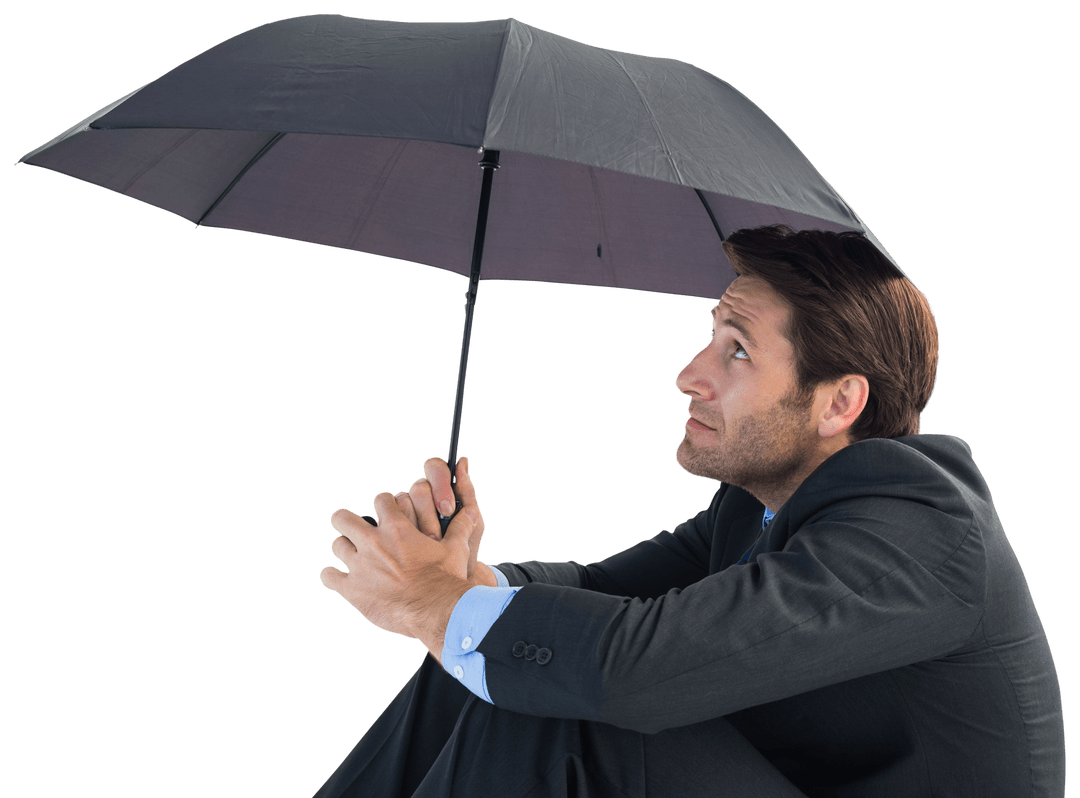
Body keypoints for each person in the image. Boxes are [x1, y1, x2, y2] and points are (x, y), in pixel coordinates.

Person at [313, 225, 1066, 797]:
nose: (688, 374)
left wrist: (437, 604)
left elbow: (637, 672)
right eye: (711, 338)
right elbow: (596, 590)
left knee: (553, 700)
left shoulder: (918, 530)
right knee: (489, 657)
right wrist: (462, 581)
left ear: (840, 402)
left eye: (737, 351)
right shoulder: (755, 507)